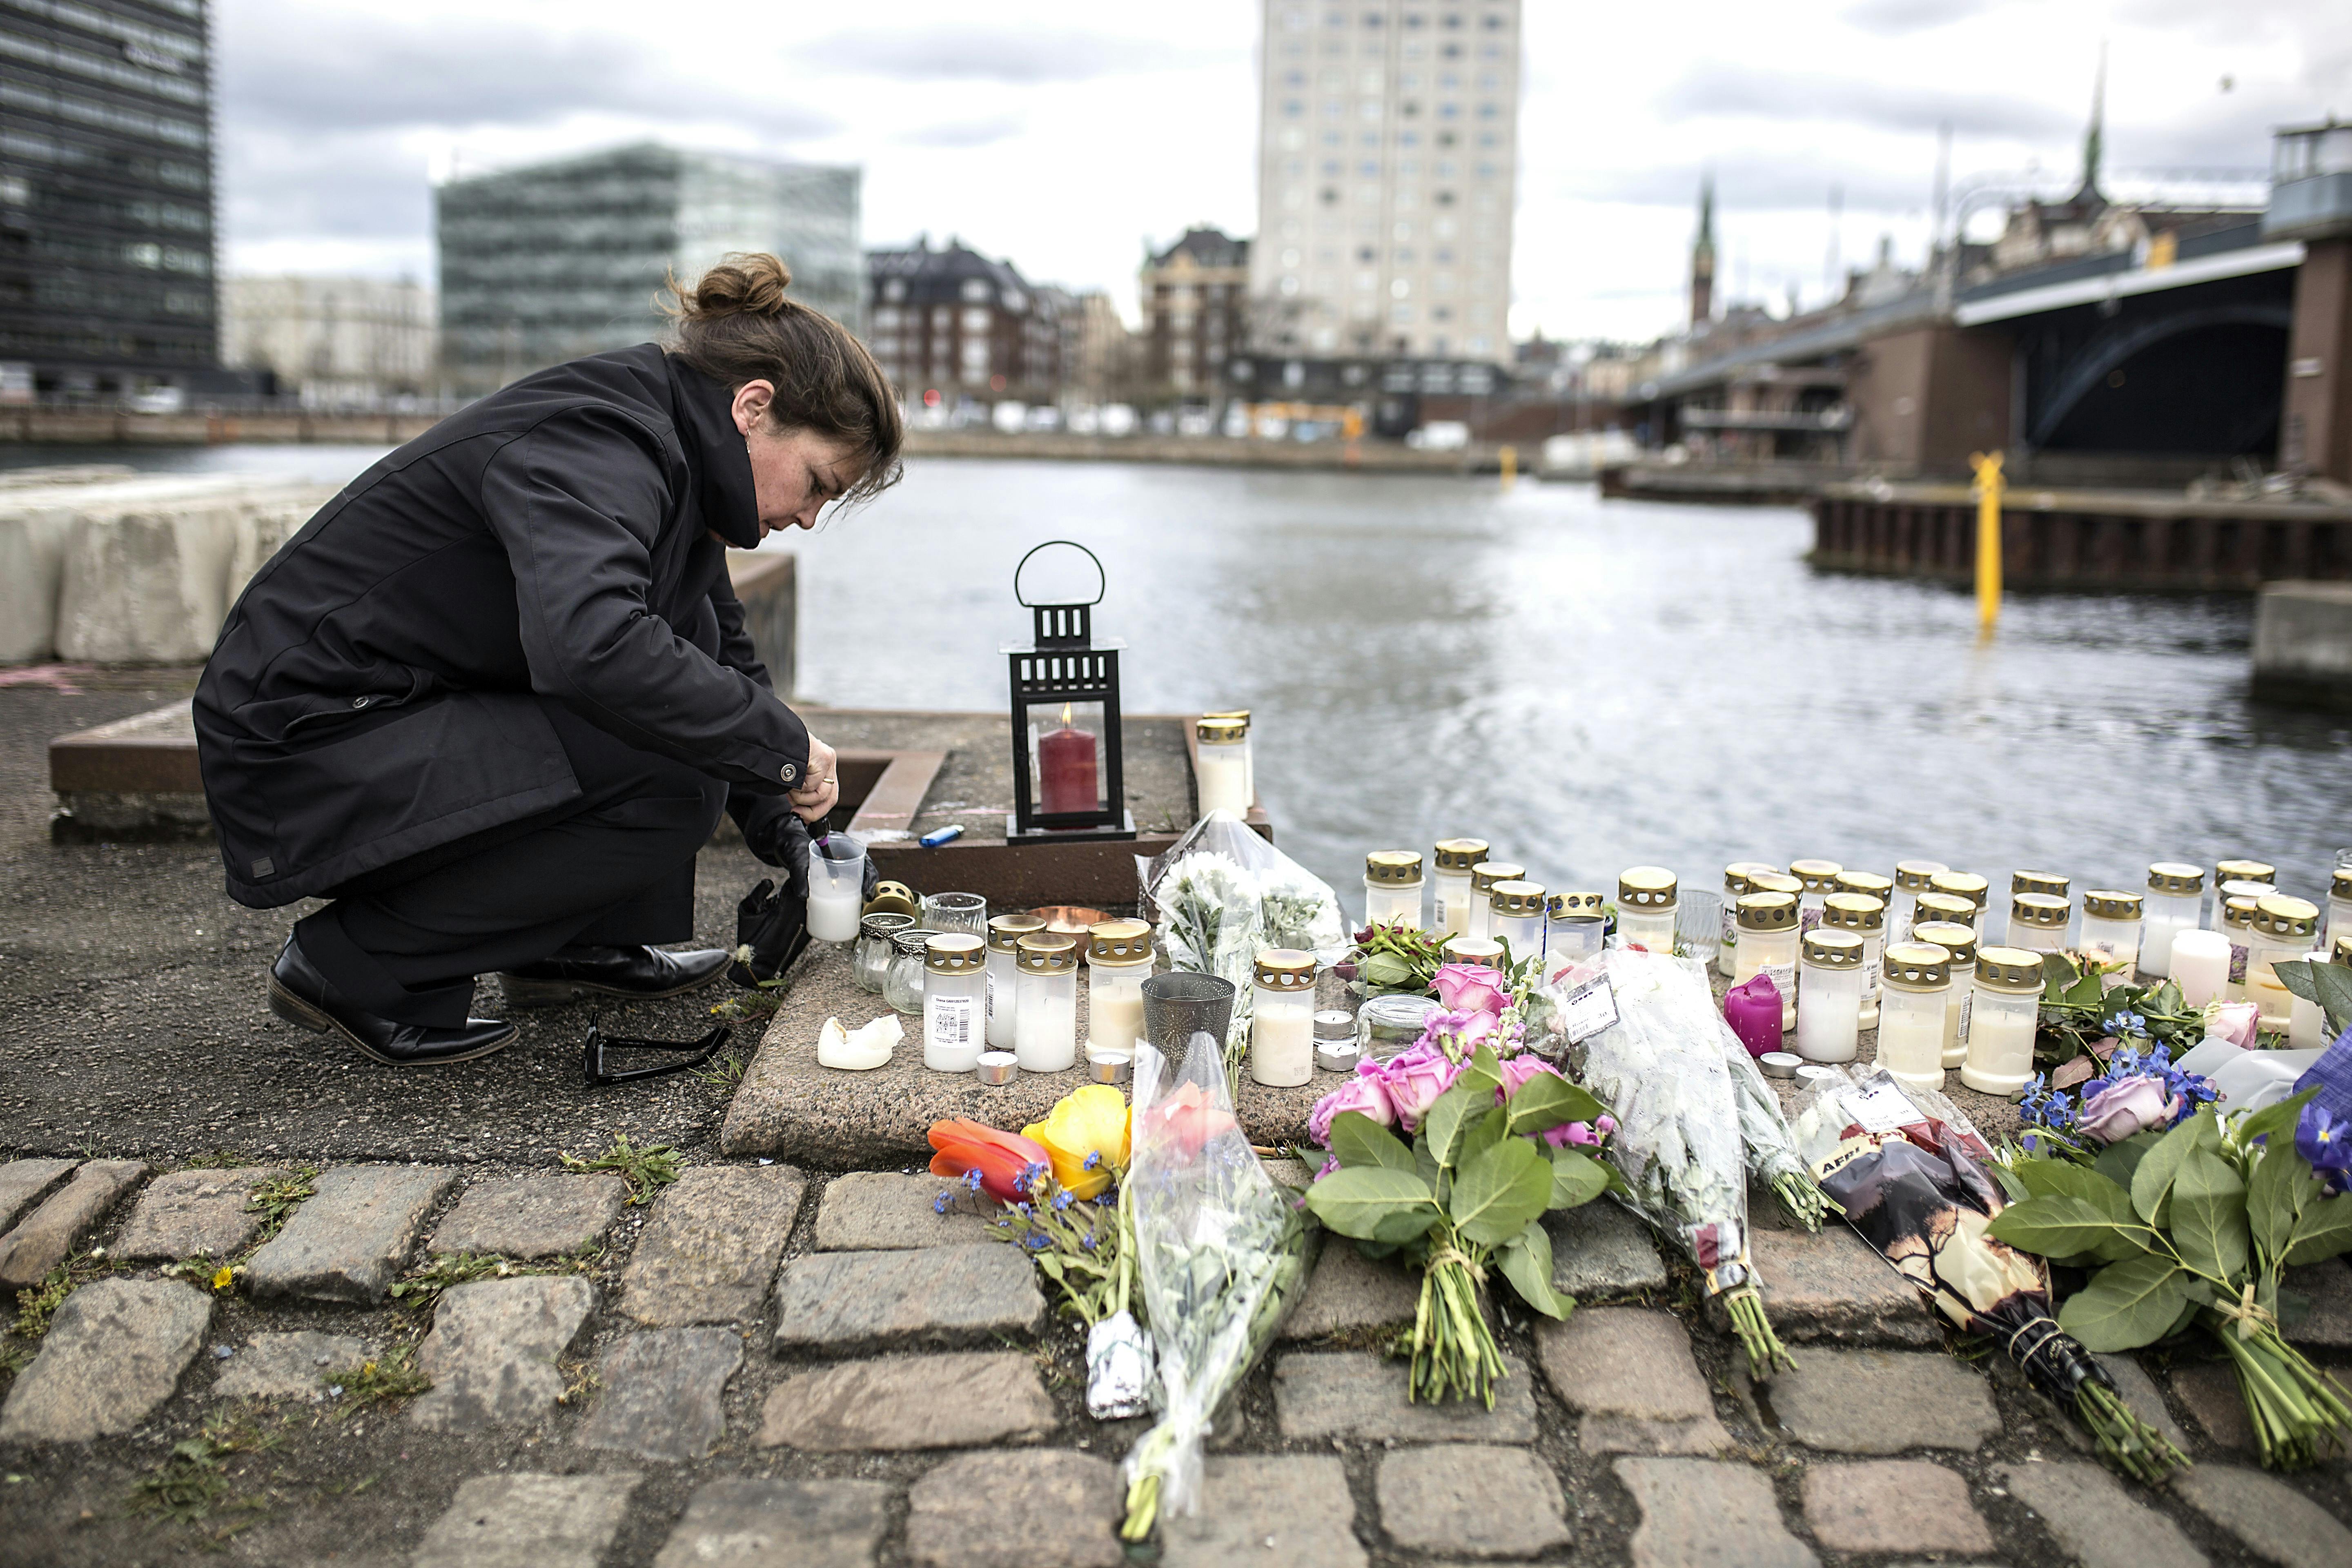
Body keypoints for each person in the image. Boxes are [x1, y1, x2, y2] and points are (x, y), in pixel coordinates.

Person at [194, 254, 901, 1067]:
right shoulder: (597, 439)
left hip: (381, 719)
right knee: (674, 779)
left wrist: (792, 826)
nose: (810, 518)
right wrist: (777, 748)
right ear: (753, 406)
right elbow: (591, 643)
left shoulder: (676, 460)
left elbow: (715, 653)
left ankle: (573, 949)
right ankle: (357, 963)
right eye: (816, 482)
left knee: (684, 728)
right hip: (302, 738)